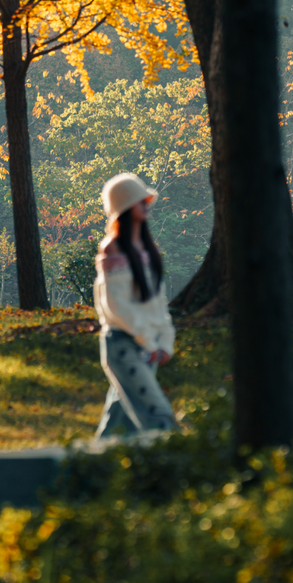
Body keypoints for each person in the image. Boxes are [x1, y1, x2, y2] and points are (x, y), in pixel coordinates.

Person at [93, 172, 178, 439]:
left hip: (147, 346)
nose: (147, 205)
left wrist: (165, 341)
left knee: (117, 427)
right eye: (140, 200)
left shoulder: (147, 249)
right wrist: (149, 343)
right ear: (125, 206)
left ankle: (84, 472)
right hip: (125, 346)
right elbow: (116, 307)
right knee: (159, 418)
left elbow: (157, 304)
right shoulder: (113, 249)